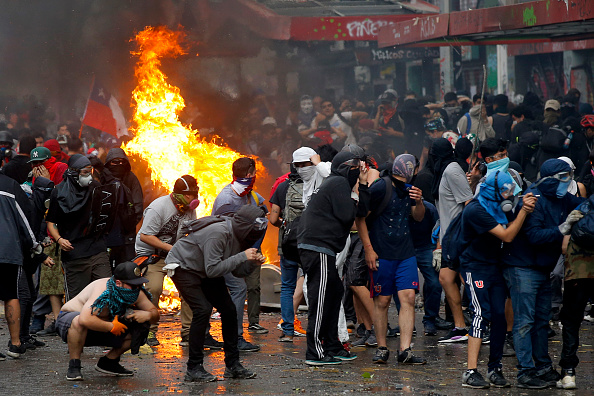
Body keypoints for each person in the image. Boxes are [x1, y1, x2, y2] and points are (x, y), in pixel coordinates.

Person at [503, 158, 584, 389]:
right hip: (523, 267)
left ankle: (543, 367)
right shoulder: (534, 199)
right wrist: (562, 228)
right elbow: (534, 236)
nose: (566, 183)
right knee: (525, 322)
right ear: (549, 179)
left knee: (540, 321)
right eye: (563, 178)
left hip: (541, 268)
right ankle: (525, 371)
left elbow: (581, 203)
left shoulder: (560, 197)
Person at [164, 205, 267, 382]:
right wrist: (242, 256)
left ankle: (233, 366)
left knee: (228, 309)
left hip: (204, 268)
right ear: (245, 227)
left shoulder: (240, 236)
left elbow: (237, 271)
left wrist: (252, 262)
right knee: (202, 309)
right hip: (184, 267)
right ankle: (194, 368)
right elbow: (212, 270)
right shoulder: (218, 233)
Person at [460, 172, 537, 388]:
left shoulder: (500, 205)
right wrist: (523, 211)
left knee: (500, 317)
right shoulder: (476, 210)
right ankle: (470, 371)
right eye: (505, 191)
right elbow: (507, 235)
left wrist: (522, 203)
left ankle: (495, 368)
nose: (508, 195)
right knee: (479, 315)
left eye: (511, 191)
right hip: (475, 267)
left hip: (495, 266)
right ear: (493, 190)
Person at [356, 154, 426, 365]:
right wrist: (368, 249)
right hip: (382, 253)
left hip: (405, 253)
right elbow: (360, 218)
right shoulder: (381, 187)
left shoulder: (411, 190)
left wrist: (419, 201)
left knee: (408, 298)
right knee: (383, 300)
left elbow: (419, 217)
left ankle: (405, 350)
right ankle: (382, 347)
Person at [297, 150, 364, 365]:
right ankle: (315, 351)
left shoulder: (336, 182)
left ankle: (332, 345)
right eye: (356, 167)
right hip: (318, 246)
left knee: (334, 293)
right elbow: (347, 216)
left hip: (321, 246)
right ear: (348, 168)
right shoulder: (338, 184)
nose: (360, 171)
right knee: (321, 298)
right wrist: (355, 191)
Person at [56, 261, 159, 380]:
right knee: (78, 320)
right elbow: (85, 319)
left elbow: (154, 312)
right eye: (133, 285)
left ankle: (109, 362)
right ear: (119, 283)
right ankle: (74, 365)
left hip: (102, 326)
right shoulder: (103, 289)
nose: (137, 288)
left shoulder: (135, 293)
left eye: (139, 284)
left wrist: (148, 315)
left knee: (141, 326)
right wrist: (111, 327)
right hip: (72, 324)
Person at [135, 175, 199, 347]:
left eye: (196, 194)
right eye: (190, 195)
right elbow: (145, 235)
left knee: (189, 288)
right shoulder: (158, 207)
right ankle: (149, 331)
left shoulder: (190, 209)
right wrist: (169, 248)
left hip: (176, 256)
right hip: (153, 256)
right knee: (153, 288)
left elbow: (190, 233)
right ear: (178, 194)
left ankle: (188, 333)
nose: (194, 198)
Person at [211, 157, 267, 351]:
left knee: (228, 290)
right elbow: (221, 228)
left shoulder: (249, 195)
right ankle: (234, 339)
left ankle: (213, 335)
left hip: (236, 250)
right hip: (223, 251)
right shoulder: (227, 199)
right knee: (237, 288)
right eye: (253, 174)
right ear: (249, 174)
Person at [45, 154, 112, 300]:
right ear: (74, 172)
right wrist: (60, 239)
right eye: (85, 172)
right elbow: (51, 222)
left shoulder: (95, 188)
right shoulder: (59, 192)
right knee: (76, 301)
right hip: (74, 255)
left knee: (107, 293)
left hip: (97, 250)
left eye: (90, 171)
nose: (89, 176)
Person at [431, 138, 473, 343]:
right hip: (449, 238)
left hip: (459, 237)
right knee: (446, 279)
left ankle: (483, 324)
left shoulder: (452, 169)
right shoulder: (446, 170)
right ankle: (460, 327)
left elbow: (468, 203)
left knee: (469, 282)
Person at [0, 172, 42, 359]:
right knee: (11, 294)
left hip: (8, 249)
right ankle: (16, 344)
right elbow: (25, 219)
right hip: (7, 249)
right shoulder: (10, 186)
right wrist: (34, 245)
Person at [269, 151, 308, 342]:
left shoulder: (283, 187)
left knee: (287, 287)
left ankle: (288, 330)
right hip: (311, 243)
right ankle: (320, 329)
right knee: (315, 285)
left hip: (288, 244)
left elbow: (273, 219)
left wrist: (286, 225)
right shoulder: (316, 186)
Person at [101, 148, 143, 269]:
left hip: (127, 235)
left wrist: (129, 221)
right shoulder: (103, 177)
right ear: (109, 163)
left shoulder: (131, 178)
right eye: (115, 162)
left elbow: (138, 205)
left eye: (122, 162)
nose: (119, 165)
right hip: (107, 233)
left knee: (126, 268)